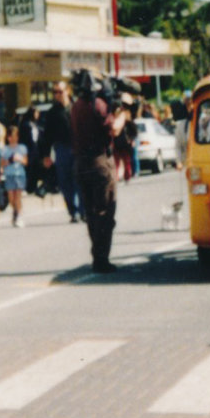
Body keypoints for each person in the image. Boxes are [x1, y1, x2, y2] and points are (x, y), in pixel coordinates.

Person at [69, 70, 131, 274]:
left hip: (81, 163)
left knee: (91, 213)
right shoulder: (99, 105)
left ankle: (97, 254)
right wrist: (123, 113)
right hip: (99, 161)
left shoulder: (76, 106)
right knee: (104, 212)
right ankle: (101, 258)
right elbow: (113, 129)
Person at [40, 81, 80, 221]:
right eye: (55, 92)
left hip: (78, 148)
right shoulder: (52, 112)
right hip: (62, 148)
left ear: (67, 91)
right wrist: (46, 155)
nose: (57, 94)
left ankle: (83, 210)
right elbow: (47, 135)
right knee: (64, 182)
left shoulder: (77, 107)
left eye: (60, 91)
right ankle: (73, 211)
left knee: (79, 180)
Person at [1, 132, 29, 228]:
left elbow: (25, 162)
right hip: (9, 174)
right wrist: (10, 160)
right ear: (8, 138)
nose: (14, 138)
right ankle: (15, 211)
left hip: (19, 174)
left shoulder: (22, 148)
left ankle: (20, 217)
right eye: (11, 136)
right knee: (11, 199)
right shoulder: (5, 149)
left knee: (18, 197)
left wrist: (19, 159)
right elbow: (2, 163)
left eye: (15, 136)